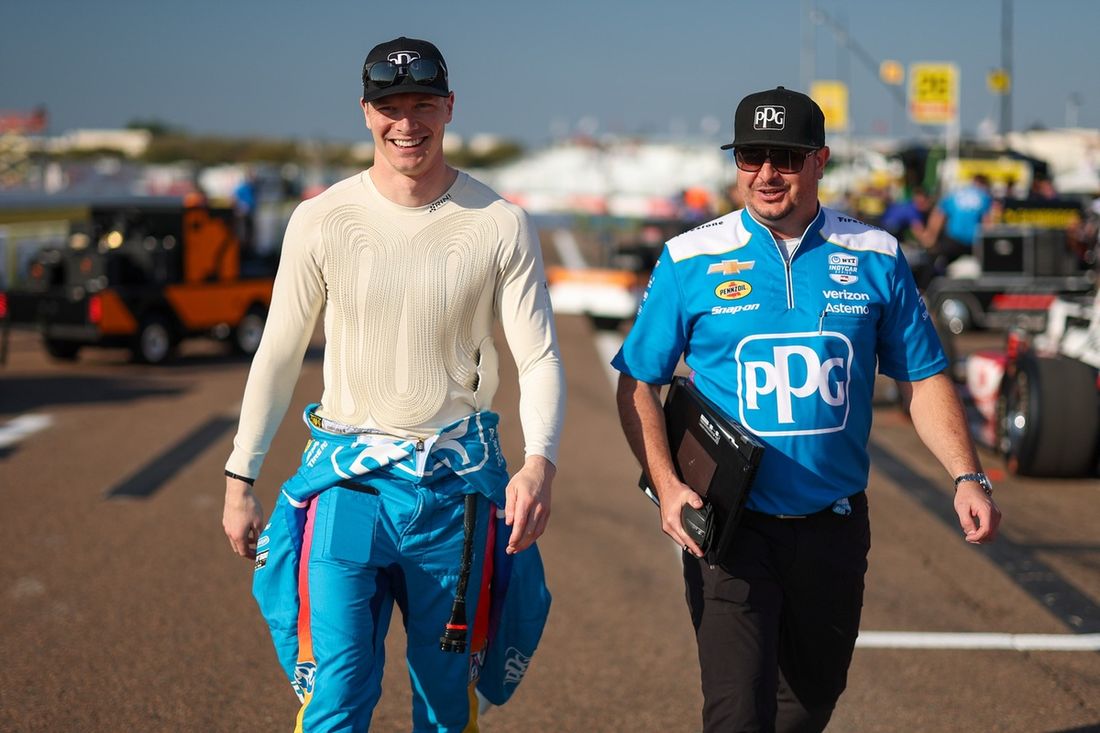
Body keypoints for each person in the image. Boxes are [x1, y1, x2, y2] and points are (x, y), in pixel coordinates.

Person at [612, 86, 1001, 733]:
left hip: (834, 525)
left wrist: (967, 474)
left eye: (785, 157)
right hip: (732, 529)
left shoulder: (876, 255)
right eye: (751, 156)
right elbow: (636, 381)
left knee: (809, 703)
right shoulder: (689, 258)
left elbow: (924, 375)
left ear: (820, 161)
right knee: (738, 713)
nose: (766, 173)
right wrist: (669, 484)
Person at [221, 36, 565, 732]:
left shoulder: (499, 222)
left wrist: (539, 462)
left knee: (444, 702)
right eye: (390, 106)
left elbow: (539, 357)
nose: (406, 123)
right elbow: (278, 355)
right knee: (337, 695)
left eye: (422, 105)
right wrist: (239, 474)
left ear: (449, 107)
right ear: (366, 112)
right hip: (349, 487)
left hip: (454, 494)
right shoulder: (320, 219)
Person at [920, 173, 995, 272]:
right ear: (984, 185)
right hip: (974, 241)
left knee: (938, 264)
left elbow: (938, 215)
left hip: (953, 239)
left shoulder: (955, 194)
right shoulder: (984, 197)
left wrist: (931, 236)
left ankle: (929, 283)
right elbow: (987, 222)